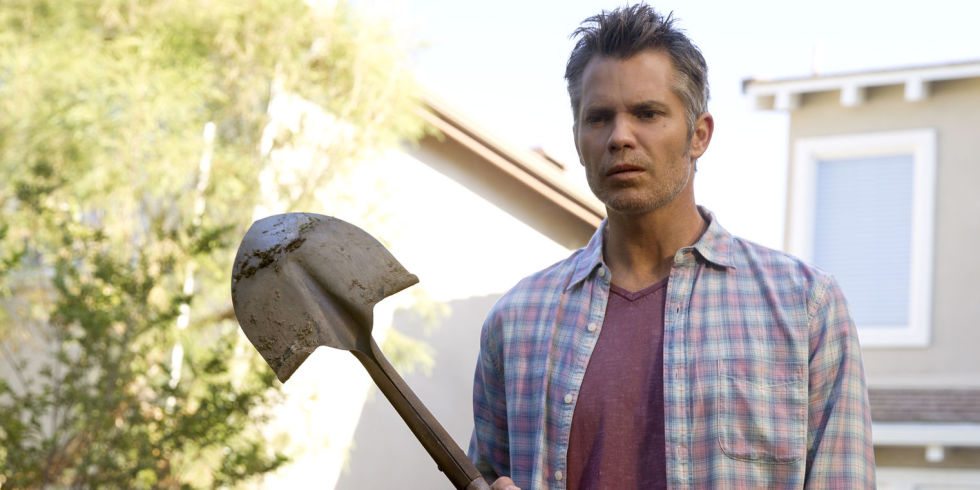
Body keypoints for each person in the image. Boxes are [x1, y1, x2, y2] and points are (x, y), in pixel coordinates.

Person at [467, 4, 875, 489]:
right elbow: (481, 476)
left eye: (647, 113)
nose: (620, 137)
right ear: (577, 140)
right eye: (598, 118)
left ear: (698, 134)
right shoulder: (517, 321)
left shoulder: (804, 307)